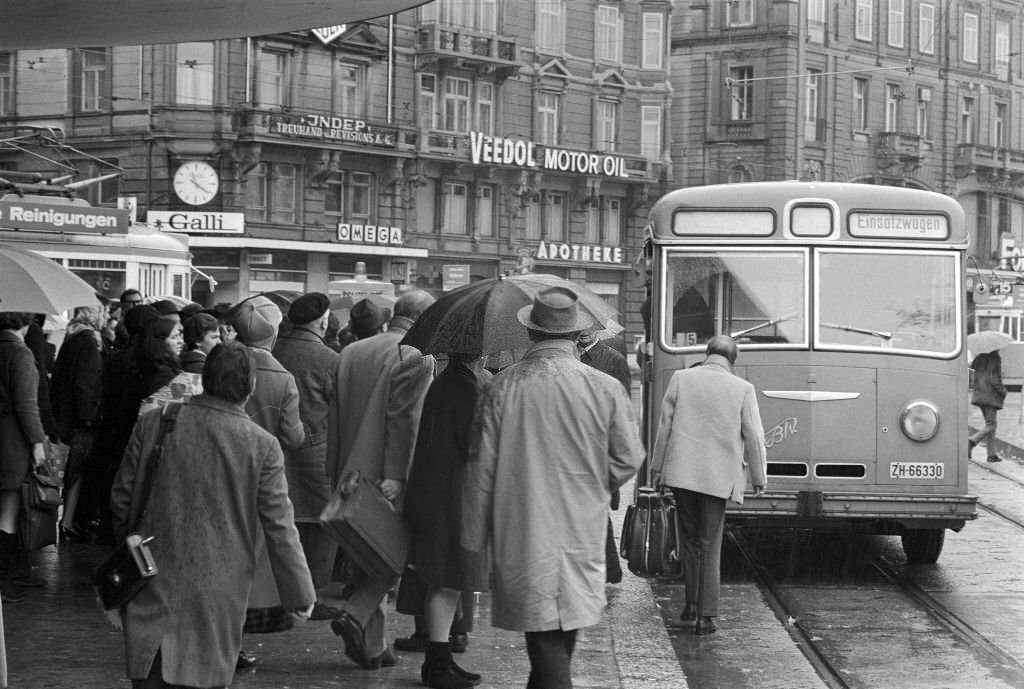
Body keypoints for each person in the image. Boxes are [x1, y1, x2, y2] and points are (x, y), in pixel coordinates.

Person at [461, 287, 644, 689]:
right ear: (575, 334)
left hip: (522, 526)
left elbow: (480, 467)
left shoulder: (501, 387)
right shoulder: (603, 386)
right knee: (561, 629)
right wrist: (595, 487)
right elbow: (629, 457)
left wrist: (473, 537)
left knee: (543, 634)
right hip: (581, 527)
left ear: (531, 333)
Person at [110, 342, 316, 689]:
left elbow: (121, 496)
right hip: (220, 587)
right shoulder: (262, 444)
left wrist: (129, 549)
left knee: (151, 675)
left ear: (204, 378)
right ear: (251, 387)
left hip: (151, 573)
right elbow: (280, 526)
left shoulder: (156, 422)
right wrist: (300, 593)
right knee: (204, 677)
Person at [326, 290, 436, 671]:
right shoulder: (417, 356)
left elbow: (334, 414)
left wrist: (334, 469)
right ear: (423, 319)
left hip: (347, 468)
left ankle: (374, 646)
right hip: (385, 474)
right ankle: (355, 615)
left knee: (365, 554)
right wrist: (399, 477)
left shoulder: (352, 351)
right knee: (393, 554)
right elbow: (404, 420)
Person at [648, 335, 767, 635]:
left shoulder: (681, 379)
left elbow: (665, 426)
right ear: (732, 360)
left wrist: (657, 468)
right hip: (717, 479)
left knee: (689, 541)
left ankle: (690, 605)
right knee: (708, 543)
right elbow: (753, 435)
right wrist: (758, 477)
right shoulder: (742, 388)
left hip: (682, 475)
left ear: (708, 353)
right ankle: (705, 615)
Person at [403, 353, 490, 688]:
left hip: (437, 490)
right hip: (452, 495)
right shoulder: (463, 388)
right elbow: (474, 445)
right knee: (447, 579)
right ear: (479, 353)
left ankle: (439, 661)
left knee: (446, 580)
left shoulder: (448, 382)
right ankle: (438, 667)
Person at [272, 292, 341, 620]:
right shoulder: (328, 358)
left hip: (274, 451)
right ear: (322, 321)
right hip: (315, 452)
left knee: (283, 522)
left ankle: (279, 591)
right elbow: (340, 406)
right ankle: (309, 595)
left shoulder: (274, 350)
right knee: (323, 524)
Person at [577, 327, 631, 585]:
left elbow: (624, 408)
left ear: (598, 328)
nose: (583, 333)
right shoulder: (568, 356)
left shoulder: (613, 359)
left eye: (588, 328)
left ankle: (608, 569)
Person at [0, 312, 47, 604]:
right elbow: (27, 404)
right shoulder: (20, 354)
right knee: (8, 512)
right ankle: (4, 580)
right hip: (12, 442)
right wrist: (37, 441)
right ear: (25, 324)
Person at [50, 304, 105, 541]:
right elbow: (86, 383)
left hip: (63, 414)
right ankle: (69, 521)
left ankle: (65, 520)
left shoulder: (71, 339)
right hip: (78, 420)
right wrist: (89, 418)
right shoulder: (89, 342)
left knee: (67, 469)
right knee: (76, 470)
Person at [969, 350, 1008, 463]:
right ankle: (971, 441)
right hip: (989, 396)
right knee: (991, 425)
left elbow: (972, 369)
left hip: (979, 394)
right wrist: (1003, 391)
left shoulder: (979, 356)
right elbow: (994, 380)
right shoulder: (995, 357)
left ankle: (991, 455)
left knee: (990, 424)